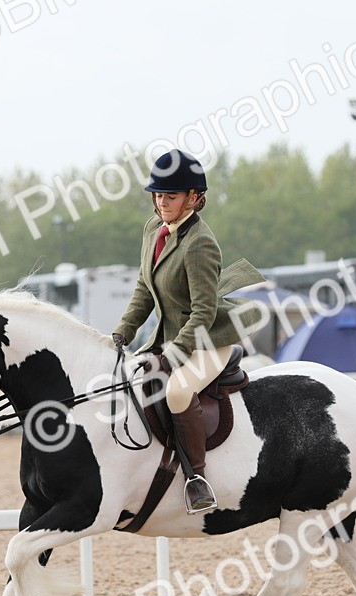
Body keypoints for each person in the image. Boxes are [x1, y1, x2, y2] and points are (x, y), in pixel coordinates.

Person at [112, 149, 263, 514]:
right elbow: (144, 289)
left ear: (194, 198)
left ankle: (197, 479)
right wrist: (121, 334)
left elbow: (203, 312)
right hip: (170, 339)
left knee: (178, 391)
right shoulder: (153, 230)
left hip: (209, 341)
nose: (162, 202)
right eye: (158, 195)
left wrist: (174, 353)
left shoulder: (200, 244)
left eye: (171, 196)